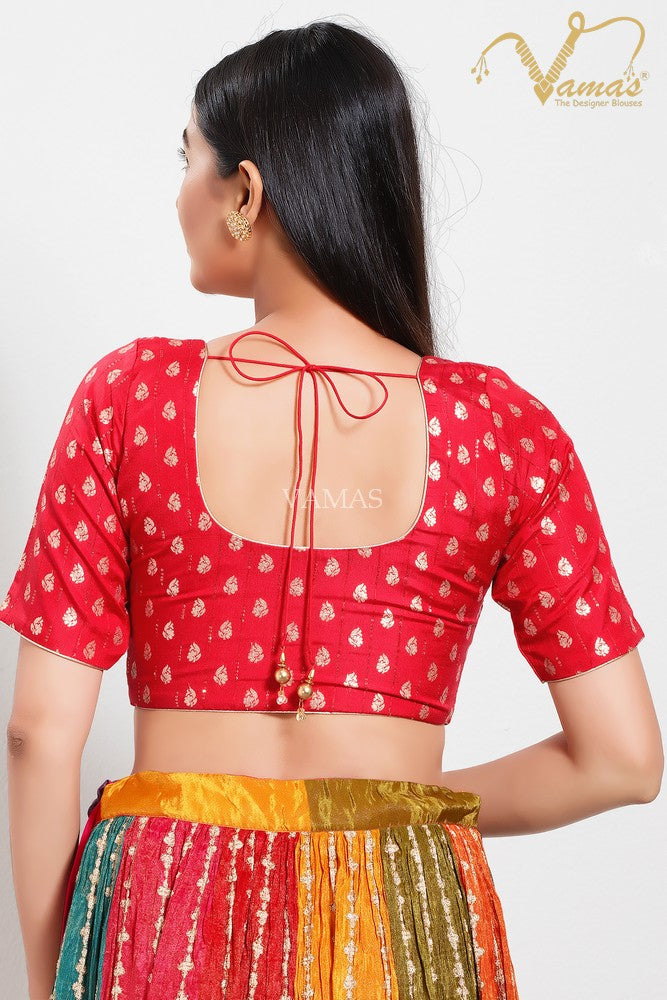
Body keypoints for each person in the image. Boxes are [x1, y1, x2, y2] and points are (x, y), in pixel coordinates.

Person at [2, 19, 662, 1000]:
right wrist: (392, 804)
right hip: (398, 911)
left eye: (187, 160)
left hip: (166, 903)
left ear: (245, 192)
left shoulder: (131, 399)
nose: (178, 194)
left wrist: (53, 974)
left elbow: (37, 732)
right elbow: (622, 760)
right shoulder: (500, 428)